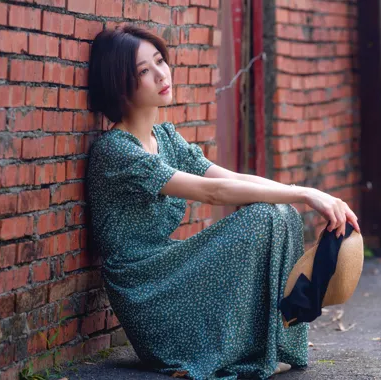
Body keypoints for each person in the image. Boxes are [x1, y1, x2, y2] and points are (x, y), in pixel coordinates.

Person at [85, 24, 360, 380]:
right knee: (264, 217)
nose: (160, 74)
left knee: (282, 213)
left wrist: (306, 193)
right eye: (143, 71)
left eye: (159, 61)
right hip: (146, 290)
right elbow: (212, 193)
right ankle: (236, 347)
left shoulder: (165, 138)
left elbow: (231, 179)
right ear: (119, 84)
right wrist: (307, 194)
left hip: (168, 271)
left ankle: (273, 342)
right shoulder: (116, 151)